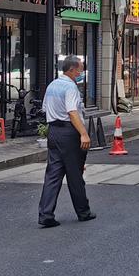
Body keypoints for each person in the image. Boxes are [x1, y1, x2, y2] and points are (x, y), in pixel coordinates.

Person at [37, 55, 95, 229]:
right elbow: (72, 112)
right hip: (69, 132)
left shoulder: (52, 85)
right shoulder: (70, 88)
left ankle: (45, 214)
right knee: (75, 174)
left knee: (53, 174)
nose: (81, 72)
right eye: (80, 69)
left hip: (53, 131)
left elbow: (45, 109)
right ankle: (83, 212)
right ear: (71, 70)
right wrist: (83, 134)